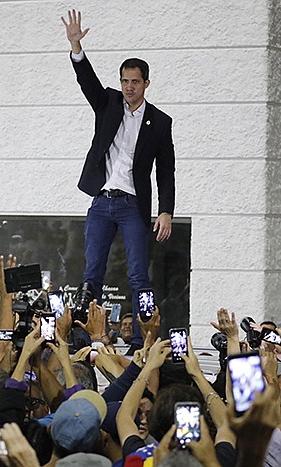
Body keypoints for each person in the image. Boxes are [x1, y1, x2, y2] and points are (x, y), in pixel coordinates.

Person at [62, 9, 176, 348]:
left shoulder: (160, 121)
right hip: (102, 201)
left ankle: (143, 340)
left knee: (139, 277)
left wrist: (166, 210)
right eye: (125, 80)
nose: (129, 87)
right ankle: (84, 336)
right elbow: (88, 81)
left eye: (135, 81)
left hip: (132, 205)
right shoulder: (109, 102)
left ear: (146, 83)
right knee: (91, 274)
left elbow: (166, 169)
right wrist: (76, 47)